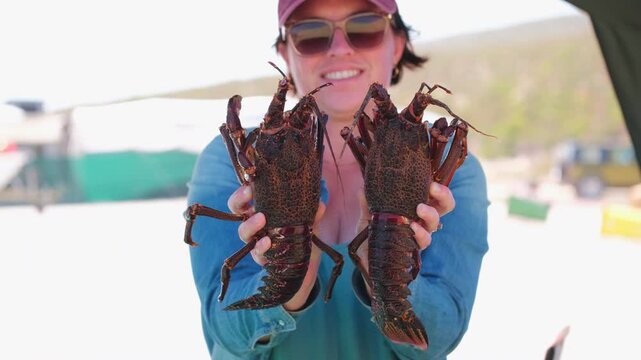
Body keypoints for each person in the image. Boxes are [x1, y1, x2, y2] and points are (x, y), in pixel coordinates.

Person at [186, 0, 489, 358]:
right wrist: (293, 284)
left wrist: (383, 276)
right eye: (311, 34)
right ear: (285, 52)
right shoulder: (227, 161)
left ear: (399, 43)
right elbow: (225, 332)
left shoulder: (454, 169)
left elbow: (438, 338)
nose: (340, 48)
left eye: (365, 28)